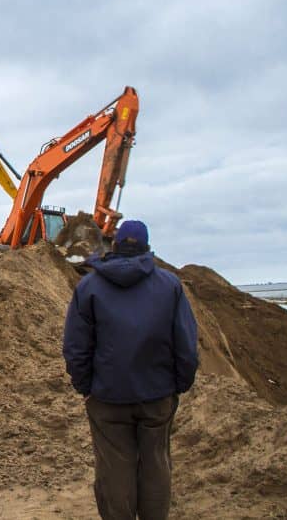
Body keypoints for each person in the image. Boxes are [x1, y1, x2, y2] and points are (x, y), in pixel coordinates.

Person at [62, 220, 198, 520]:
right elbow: (186, 344)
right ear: (148, 247)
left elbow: (75, 347)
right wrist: (178, 384)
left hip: (107, 398)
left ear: (114, 245)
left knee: (114, 468)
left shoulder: (89, 287)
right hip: (157, 395)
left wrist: (86, 387)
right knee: (155, 463)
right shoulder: (170, 286)